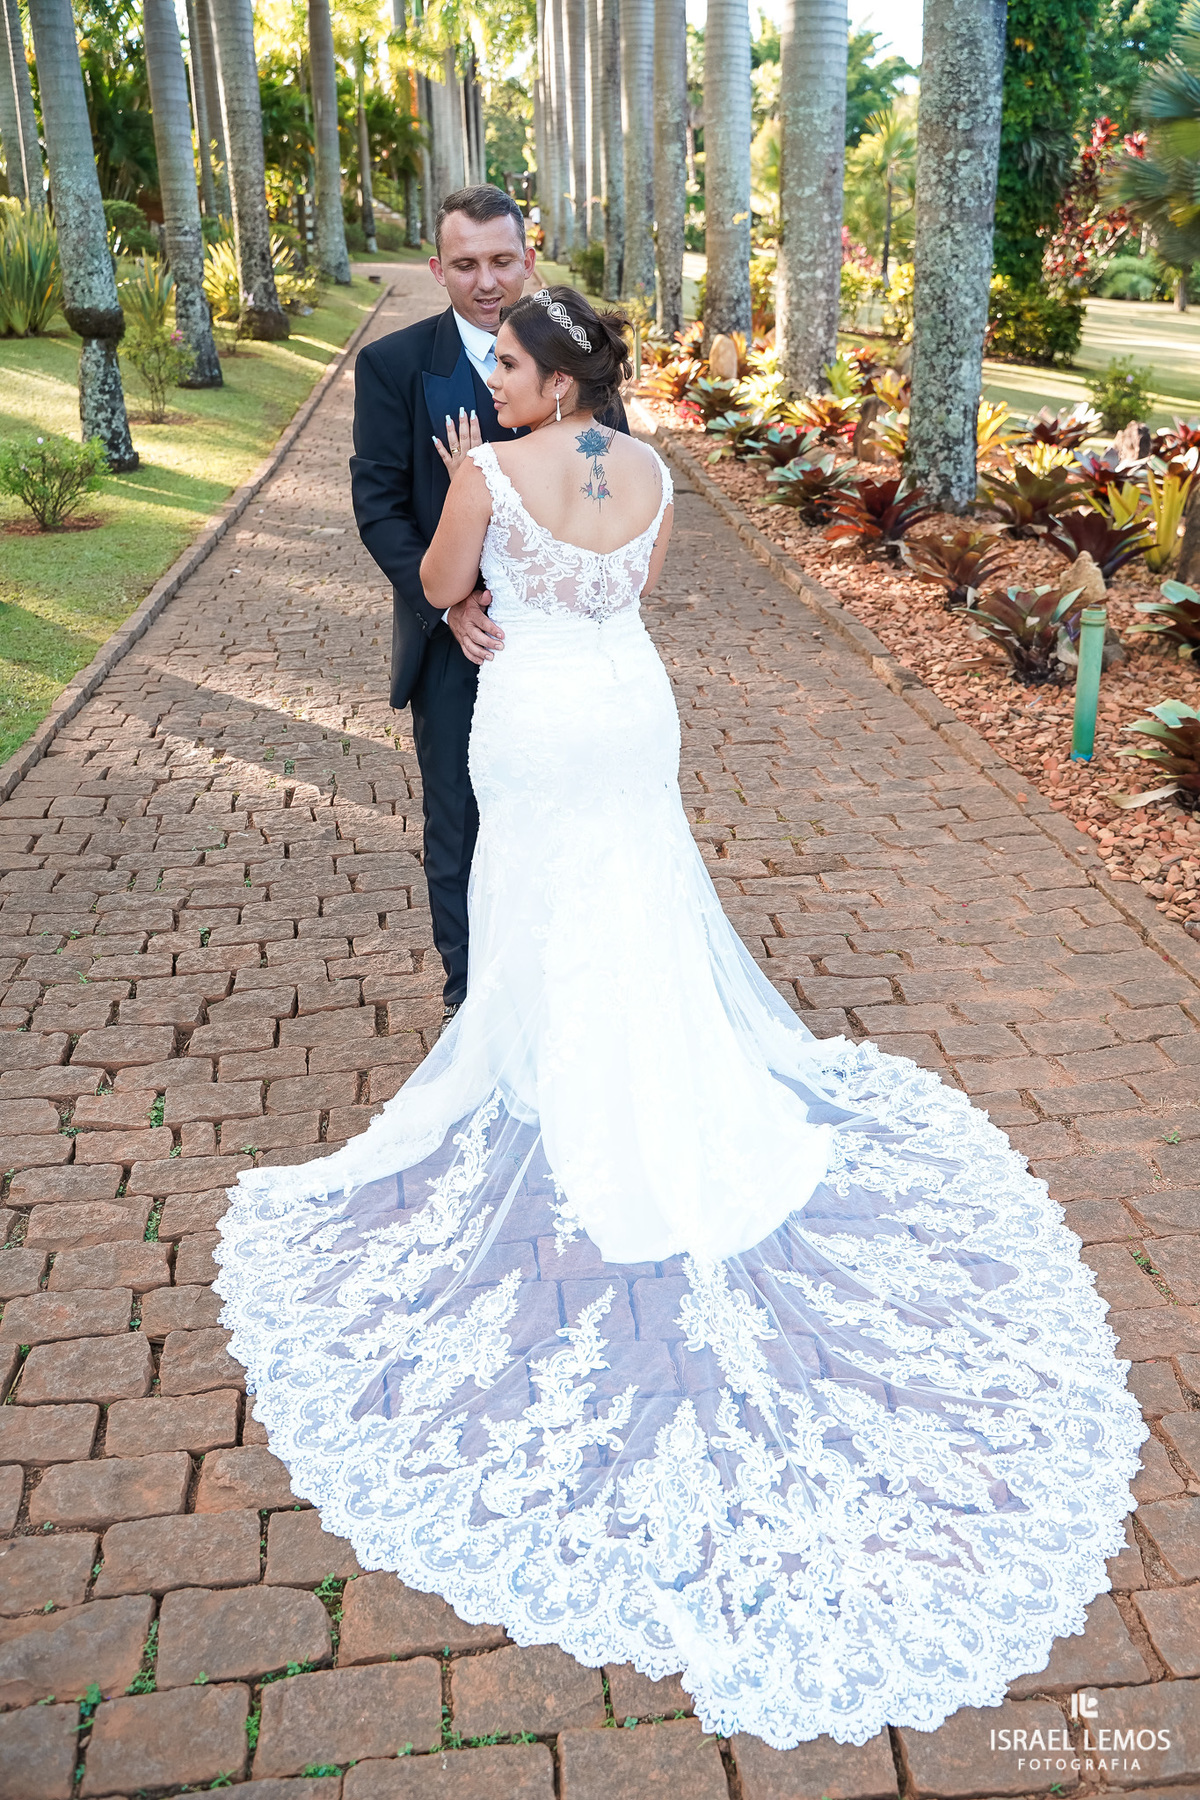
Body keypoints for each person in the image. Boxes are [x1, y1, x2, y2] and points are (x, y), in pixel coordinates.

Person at [218, 286, 1144, 1751]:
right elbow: (628, 593)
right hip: (630, 711)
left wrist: (464, 495)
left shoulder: (489, 465)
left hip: (536, 719)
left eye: (510, 362)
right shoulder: (648, 468)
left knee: (537, 900)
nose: (493, 377)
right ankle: (625, 1067)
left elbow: (448, 586)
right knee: (635, 898)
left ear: (556, 377)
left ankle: (555, 1082)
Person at [350, 185, 628, 1029]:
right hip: (453, 644)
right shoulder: (393, 366)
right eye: (466, 264)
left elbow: (607, 483)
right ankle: (471, 1001)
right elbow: (379, 506)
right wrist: (448, 606)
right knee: (459, 819)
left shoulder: (579, 362)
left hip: (559, 647)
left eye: (503, 260)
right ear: (438, 270)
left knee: (572, 812)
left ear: (528, 261)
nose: (487, 281)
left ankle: (569, 982)